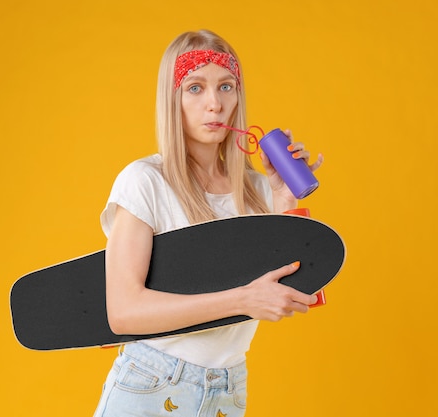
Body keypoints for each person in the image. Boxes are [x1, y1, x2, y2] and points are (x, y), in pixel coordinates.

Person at [92, 29, 323, 417]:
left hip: (227, 388)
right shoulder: (145, 181)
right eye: (195, 88)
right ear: (173, 98)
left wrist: (284, 198)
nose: (214, 104)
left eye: (226, 87)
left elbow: (287, 287)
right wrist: (242, 299)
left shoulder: (256, 189)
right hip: (152, 381)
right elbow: (123, 311)